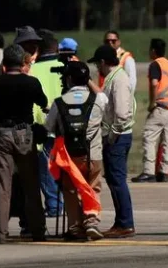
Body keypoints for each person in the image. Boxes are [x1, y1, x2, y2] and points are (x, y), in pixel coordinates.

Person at [0, 44, 48, 244]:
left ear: (4, 64)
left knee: (2, 183)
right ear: (22, 62)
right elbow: (42, 101)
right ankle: (38, 230)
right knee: (31, 183)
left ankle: (0, 231)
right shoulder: (31, 82)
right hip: (24, 132)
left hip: (2, 133)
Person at [45, 61, 106, 241]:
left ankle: (75, 227)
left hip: (68, 157)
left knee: (70, 190)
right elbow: (107, 112)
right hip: (93, 154)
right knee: (93, 186)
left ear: (69, 79)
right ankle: (91, 221)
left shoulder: (59, 102)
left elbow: (49, 127)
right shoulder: (99, 100)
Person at [90, 45, 136, 238]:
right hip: (118, 135)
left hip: (118, 136)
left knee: (117, 180)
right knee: (115, 180)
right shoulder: (115, 77)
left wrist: (112, 135)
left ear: (102, 62)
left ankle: (125, 223)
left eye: (97, 64)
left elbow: (122, 113)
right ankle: (122, 221)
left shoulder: (118, 79)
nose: (96, 68)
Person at [29, 29, 64, 217]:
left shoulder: (33, 70)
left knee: (46, 170)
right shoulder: (66, 66)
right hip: (67, 126)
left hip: (43, 128)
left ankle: (54, 205)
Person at [132, 39, 168, 183]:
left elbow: (154, 84)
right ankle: (163, 172)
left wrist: (152, 103)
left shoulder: (155, 65)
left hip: (161, 106)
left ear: (153, 51)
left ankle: (148, 171)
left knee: (149, 137)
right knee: (167, 140)